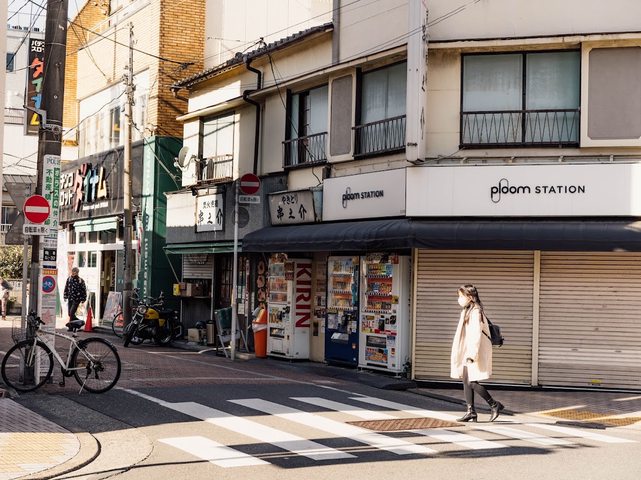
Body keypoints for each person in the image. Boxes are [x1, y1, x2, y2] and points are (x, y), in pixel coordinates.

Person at [450, 284, 504, 422]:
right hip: (467, 350)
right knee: (466, 381)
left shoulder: (475, 312)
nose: (459, 299)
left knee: (471, 382)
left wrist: (471, 355)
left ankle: (494, 405)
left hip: (474, 351)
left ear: (469, 297)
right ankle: (471, 411)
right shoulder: (467, 310)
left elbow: (475, 335)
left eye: (461, 296)